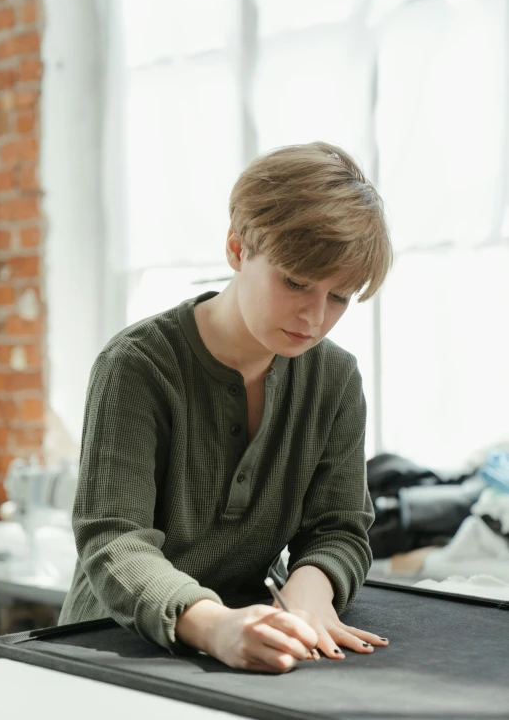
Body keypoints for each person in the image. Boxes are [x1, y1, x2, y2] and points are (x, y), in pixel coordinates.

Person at [58, 141, 393, 674]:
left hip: (252, 642)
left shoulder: (334, 378)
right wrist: (212, 625)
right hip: (110, 647)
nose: (314, 316)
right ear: (238, 250)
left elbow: (338, 526)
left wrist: (311, 587)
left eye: (339, 296)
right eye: (296, 282)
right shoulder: (136, 366)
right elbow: (114, 539)